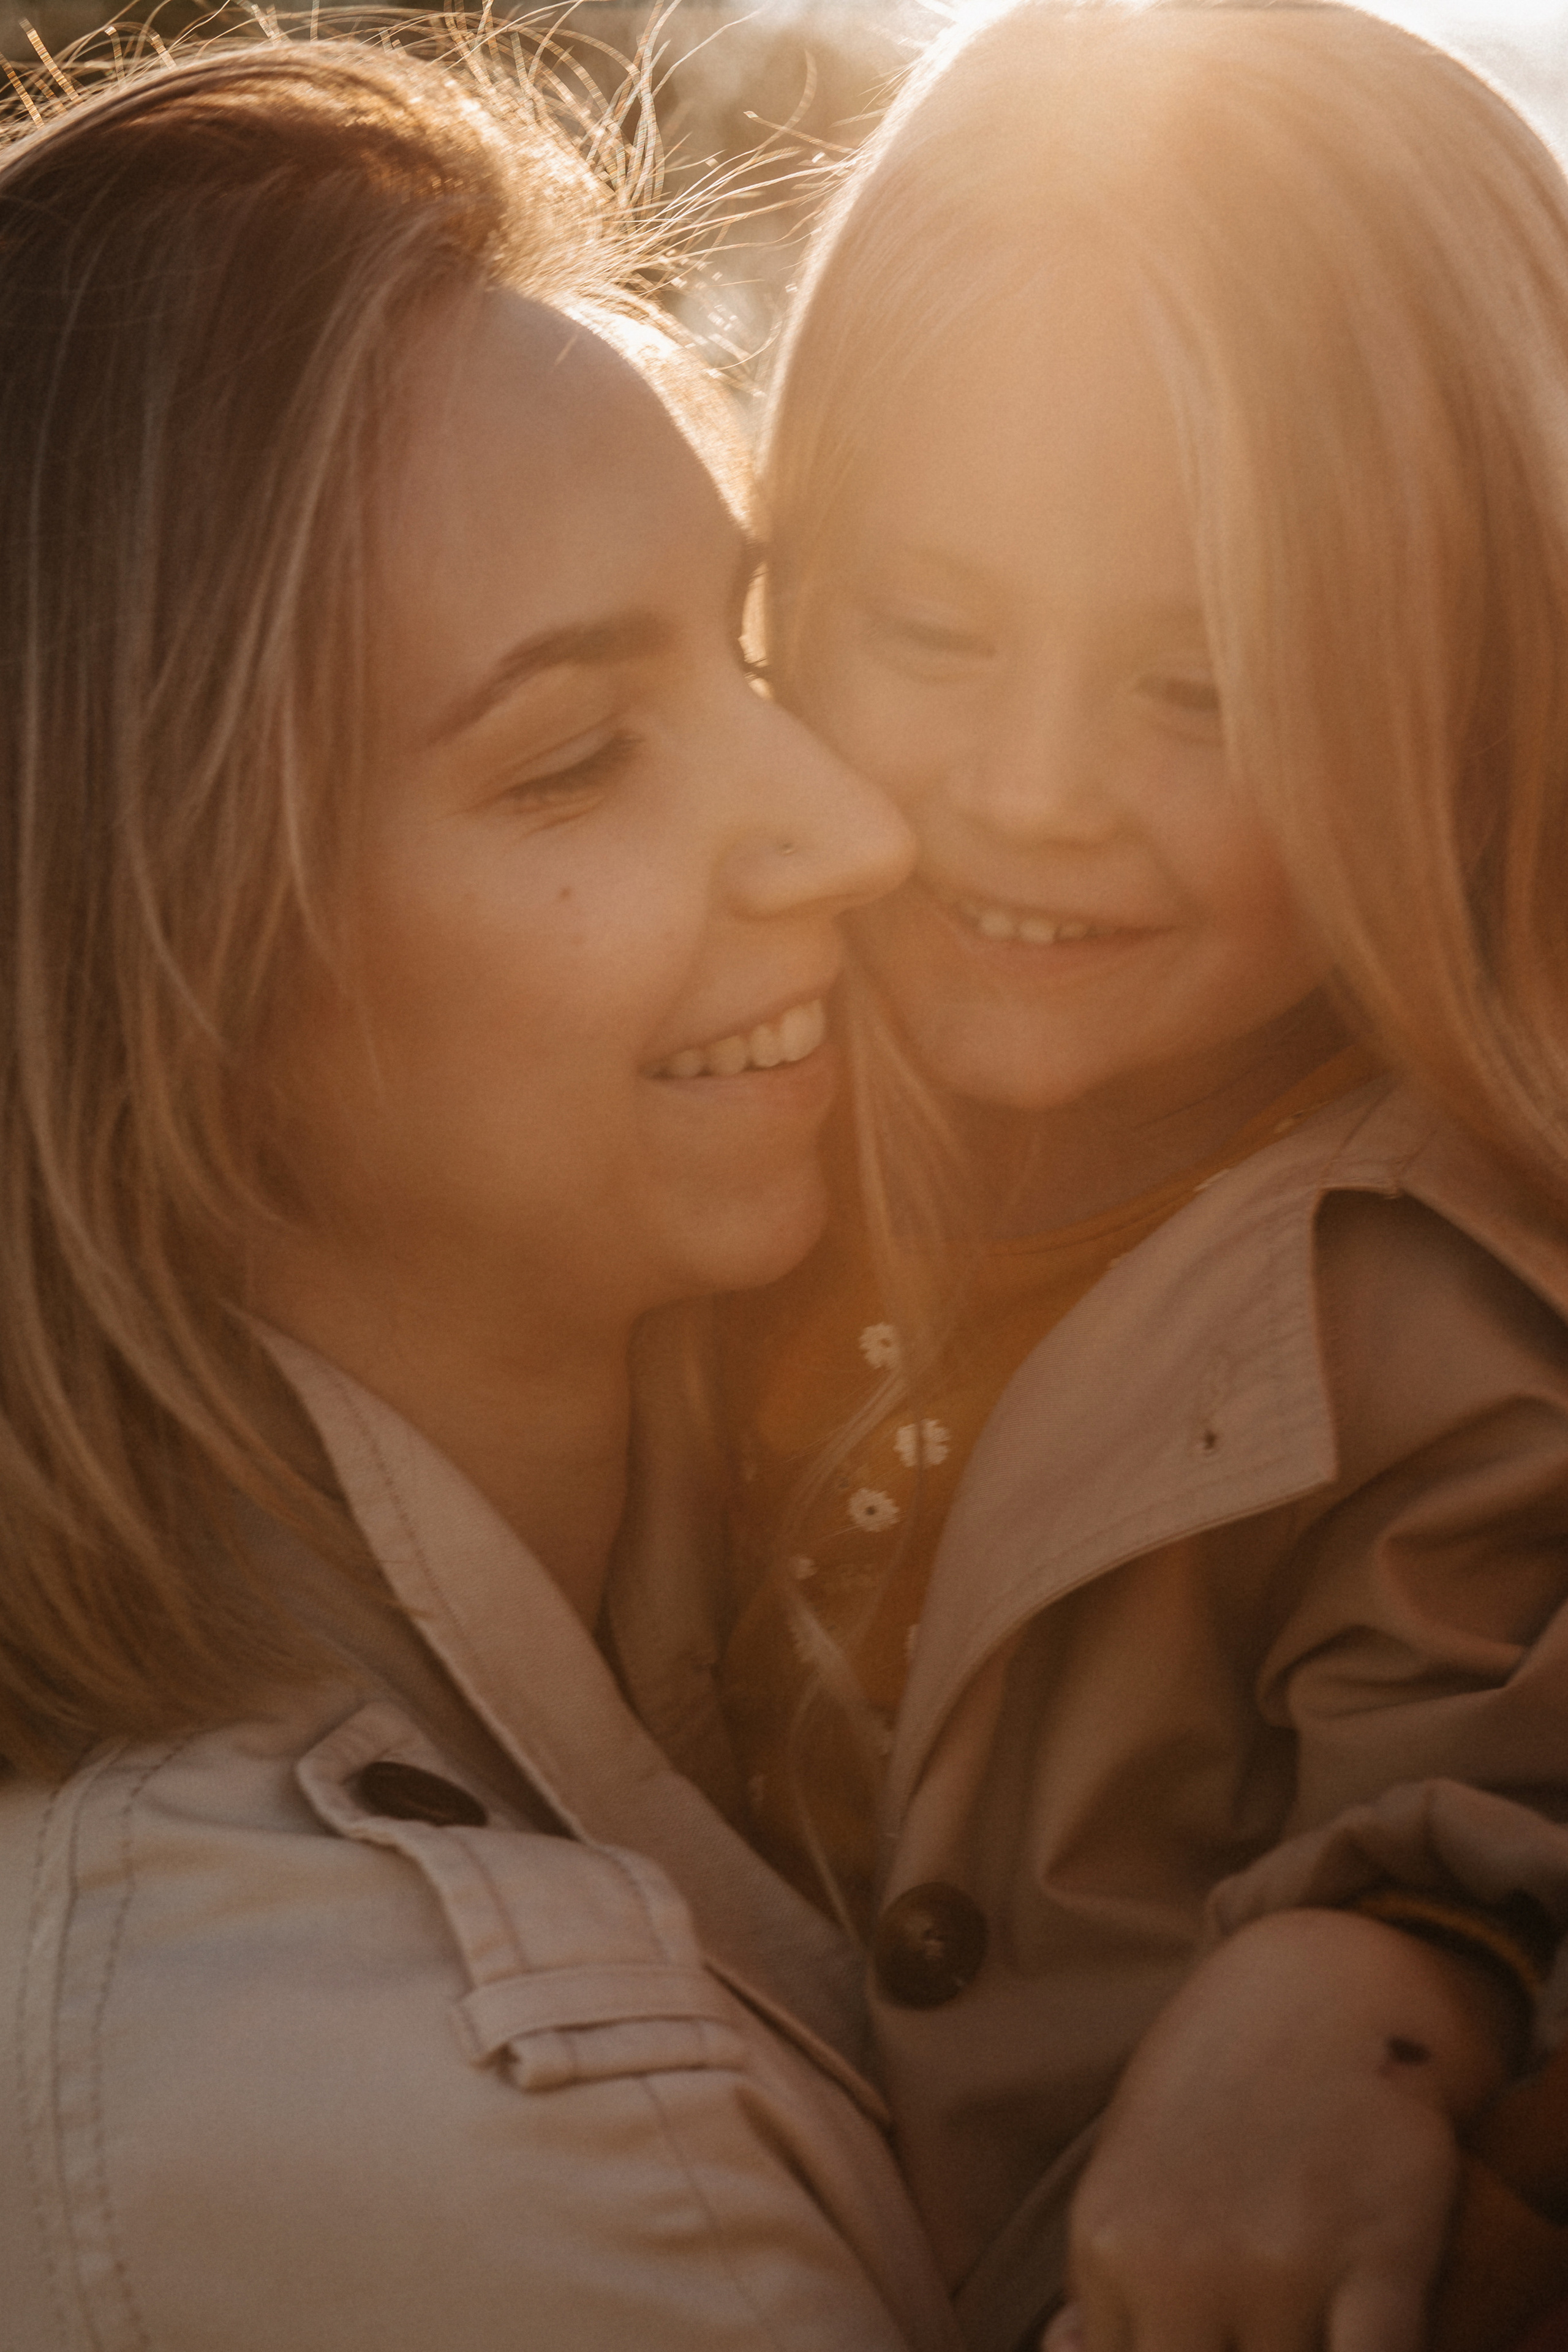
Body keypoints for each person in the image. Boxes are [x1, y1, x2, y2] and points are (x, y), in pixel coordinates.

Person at [605, 5, 1568, 2347]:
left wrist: (1384, 1982)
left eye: (1206, 685)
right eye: (932, 633)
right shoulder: (708, 1111)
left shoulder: (1437, 1330)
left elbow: (1497, 1796)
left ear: (1465, 697)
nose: (1035, 789)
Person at [0, 36, 964, 2351]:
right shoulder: (437, 2148)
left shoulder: (822, 1577)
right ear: (155, 964)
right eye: (573, 757)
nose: (858, 832)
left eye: (746, 653)